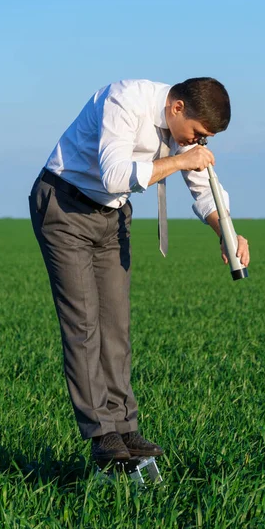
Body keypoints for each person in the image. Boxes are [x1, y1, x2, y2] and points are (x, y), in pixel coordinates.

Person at [28, 77, 250, 467]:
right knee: (83, 323)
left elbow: (203, 189)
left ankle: (124, 427)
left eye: (205, 140)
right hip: (65, 204)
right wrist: (181, 160)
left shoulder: (183, 131)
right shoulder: (124, 100)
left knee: (116, 323)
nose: (197, 144)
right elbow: (115, 174)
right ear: (177, 108)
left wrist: (225, 233)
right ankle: (101, 433)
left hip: (112, 215)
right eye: (198, 134)